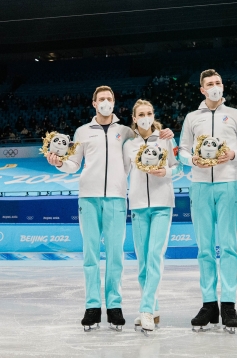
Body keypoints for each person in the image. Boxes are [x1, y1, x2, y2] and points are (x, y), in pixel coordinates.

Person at [47, 85, 134, 332]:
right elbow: (73, 164)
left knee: (116, 255)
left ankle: (114, 306)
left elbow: (133, 161)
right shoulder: (82, 132)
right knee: (91, 255)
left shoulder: (125, 132)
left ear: (114, 102)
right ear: (94, 103)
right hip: (88, 198)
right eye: (101, 99)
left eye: (109, 98)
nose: (106, 102)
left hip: (117, 198)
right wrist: (59, 164)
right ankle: (92, 306)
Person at [178, 69, 237, 333]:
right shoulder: (192, 118)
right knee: (205, 248)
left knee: (230, 245)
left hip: (229, 184)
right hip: (199, 185)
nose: (215, 87)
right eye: (210, 84)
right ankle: (209, 303)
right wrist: (192, 160)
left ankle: (228, 303)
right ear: (202, 90)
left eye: (218, 82)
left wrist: (233, 154)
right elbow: (182, 150)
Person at [122, 99, 177, 334]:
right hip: (138, 205)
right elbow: (122, 171)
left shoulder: (165, 139)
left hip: (162, 203)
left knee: (154, 255)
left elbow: (179, 167)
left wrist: (166, 171)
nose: (145, 117)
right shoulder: (129, 145)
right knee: (143, 261)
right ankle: (153, 308)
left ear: (154, 115)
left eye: (149, 113)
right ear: (134, 118)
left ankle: (145, 309)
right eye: (141, 114)